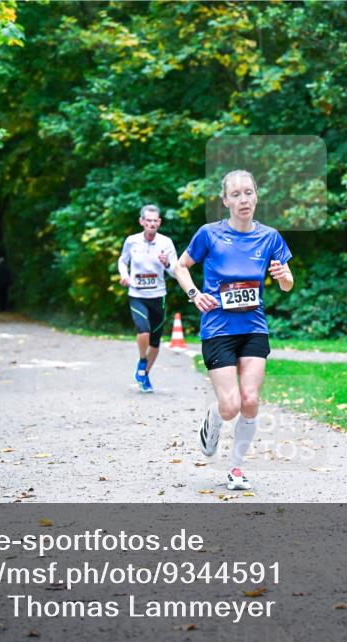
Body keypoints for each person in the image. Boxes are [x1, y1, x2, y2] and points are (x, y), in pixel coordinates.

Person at [173, 170, 294, 491]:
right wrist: (194, 294)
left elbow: (287, 284)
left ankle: (237, 468)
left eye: (248, 193)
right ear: (225, 201)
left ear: (256, 196)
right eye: (236, 194)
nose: (243, 199)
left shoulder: (270, 237)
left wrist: (283, 274)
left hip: (254, 327)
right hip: (218, 329)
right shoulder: (209, 235)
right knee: (230, 406)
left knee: (250, 399)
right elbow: (180, 266)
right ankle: (213, 419)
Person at [117, 205, 178, 393]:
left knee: (155, 342)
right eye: (148, 220)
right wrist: (124, 275)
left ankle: (144, 375)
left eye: (155, 221)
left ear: (159, 222)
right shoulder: (132, 241)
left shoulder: (166, 243)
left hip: (158, 296)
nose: (152, 224)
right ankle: (142, 361)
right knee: (143, 330)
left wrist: (166, 263)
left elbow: (176, 271)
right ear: (142, 222)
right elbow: (122, 260)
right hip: (137, 295)